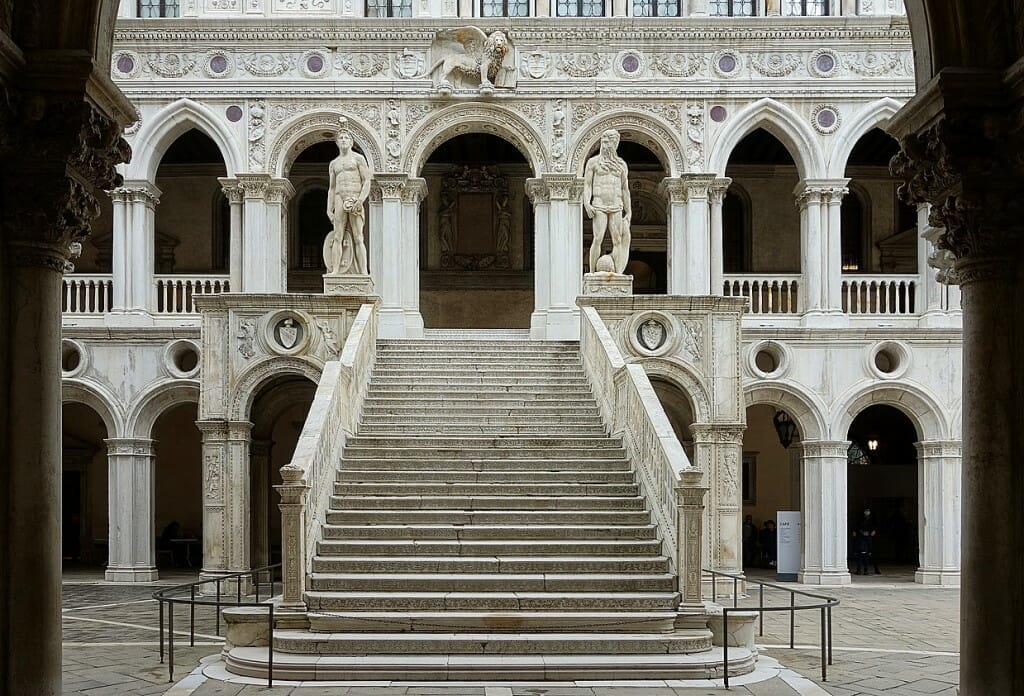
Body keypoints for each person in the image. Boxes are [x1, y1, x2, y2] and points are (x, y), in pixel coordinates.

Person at [324, 117, 371, 276]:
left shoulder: (358, 159)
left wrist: (360, 200)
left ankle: (364, 271)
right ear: (337, 142)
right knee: (337, 236)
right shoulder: (334, 163)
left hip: (354, 198)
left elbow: (366, 181)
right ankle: (335, 270)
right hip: (339, 198)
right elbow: (332, 188)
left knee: (358, 237)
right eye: (341, 138)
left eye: (346, 138)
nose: (343, 140)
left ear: (351, 142)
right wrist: (329, 209)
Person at [583, 129, 631, 274]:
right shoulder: (593, 162)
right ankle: (592, 273)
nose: (607, 145)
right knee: (597, 238)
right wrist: (587, 203)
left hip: (616, 205)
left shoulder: (621, 164)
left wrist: (629, 211)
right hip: (599, 204)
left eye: (610, 142)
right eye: (604, 141)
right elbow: (587, 184)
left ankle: (617, 273)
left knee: (617, 240)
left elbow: (624, 189)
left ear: (615, 144)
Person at [853, 508, 881, 575]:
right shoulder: (860, 519)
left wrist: (873, 531)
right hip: (861, 537)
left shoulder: (873, 519)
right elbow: (856, 527)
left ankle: (873, 569)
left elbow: (875, 527)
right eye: (866, 511)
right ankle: (859, 570)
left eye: (868, 511)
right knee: (859, 553)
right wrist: (860, 532)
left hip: (869, 537)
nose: (867, 512)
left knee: (870, 553)